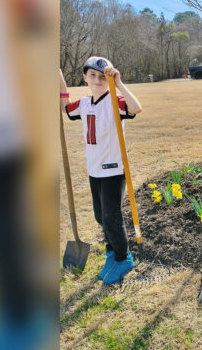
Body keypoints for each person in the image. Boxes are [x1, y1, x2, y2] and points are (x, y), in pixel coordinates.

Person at [60, 57, 142, 285]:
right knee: (100, 216)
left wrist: (119, 82)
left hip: (114, 170)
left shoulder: (116, 101)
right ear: (85, 77)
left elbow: (136, 108)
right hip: (94, 170)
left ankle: (123, 257)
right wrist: (57, 79)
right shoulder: (84, 104)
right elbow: (66, 109)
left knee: (111, 217)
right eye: (92, 75)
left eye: (102, 76)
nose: (97, 80)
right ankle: (110, 253)